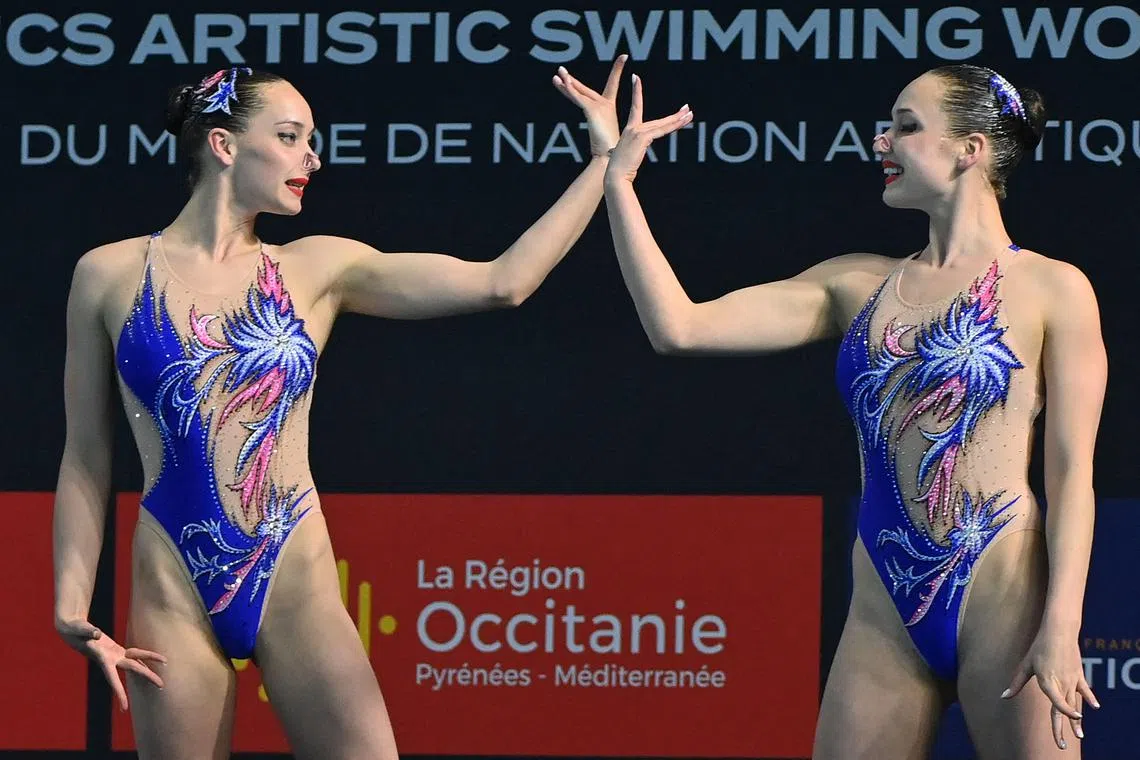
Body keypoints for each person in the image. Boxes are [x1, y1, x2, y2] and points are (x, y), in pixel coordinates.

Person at [52, 58, 626, 759]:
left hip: (295, 578)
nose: (312, 158)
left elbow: (503, 282)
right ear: (224, 145)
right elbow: (86, 454)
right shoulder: (107, 274)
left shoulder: (318, 268)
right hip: (171, 583)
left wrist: (604, 161)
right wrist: (70, 602)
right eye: (290, 136)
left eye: (311, 140)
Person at [602, 66, 1106, 759]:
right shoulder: (854, 283)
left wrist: (1061, 627)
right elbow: (679, 327)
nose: (881, 141)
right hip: (882, 616)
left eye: (907, 126)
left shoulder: (1054, 288)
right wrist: (619, 181)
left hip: (1007, 603)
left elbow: (1071, 474)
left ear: (971, 149)